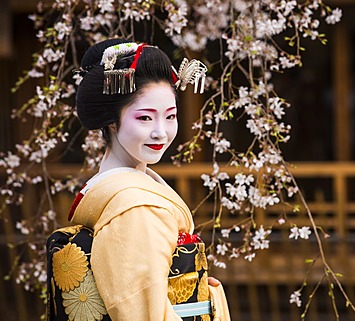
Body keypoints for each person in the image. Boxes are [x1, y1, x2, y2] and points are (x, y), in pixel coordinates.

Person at [46, 38, 230, 321]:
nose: (161, 132)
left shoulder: (116, 190)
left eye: (170, 116)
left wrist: (199, 291)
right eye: (145, 118)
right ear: (111, 120)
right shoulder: (136, 206)